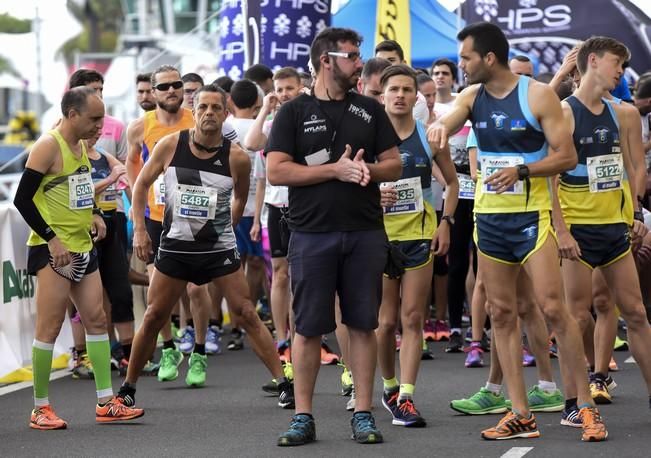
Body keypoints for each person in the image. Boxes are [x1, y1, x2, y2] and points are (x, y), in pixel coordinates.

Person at [427, 22, 607, 442]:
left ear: (489, 58)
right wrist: (439, 129)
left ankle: (584, 407)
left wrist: (522, 170)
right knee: (501, 314)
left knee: (553, 309)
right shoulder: (471, 96)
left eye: (467, 58)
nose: (462, 65)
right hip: (490, 223)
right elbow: (451, 118)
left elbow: (566, 157)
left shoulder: (538, 95)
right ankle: (520, 412)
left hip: (533, 220)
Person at [117, 84, 293, 409]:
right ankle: (128, 388)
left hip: (217, 250)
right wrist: (140, 229)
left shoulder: (237, 157)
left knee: (246, 314)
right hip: (176, 247)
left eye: (216, 108)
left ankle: (284, 383)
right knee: (155, 314)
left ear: (225, 114)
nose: (209, 113)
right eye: (203, 108)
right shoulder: (171, 145)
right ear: (193, 112)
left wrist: (228, 226)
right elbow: (141, 183)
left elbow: (241, 195)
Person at [267, 27, 402, 446]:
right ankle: (303, 416)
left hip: (364, 232)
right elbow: (276, 170)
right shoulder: (291, 112)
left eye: (359, 55)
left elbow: (394, 164)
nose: (360, 63)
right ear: (327, 60)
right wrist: (334, 170)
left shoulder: (369, 109)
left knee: (363, 325)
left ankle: (363, 412)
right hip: (310, 234)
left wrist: (367, 171)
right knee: (307, 328)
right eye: (352, 56)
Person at [13, 86, 144, 429]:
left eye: (102, 118)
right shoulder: (48, 146)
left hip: (83, 245)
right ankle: (39, 407)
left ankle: (105, 402)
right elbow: (22, 200)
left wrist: (95, 214)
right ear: (72, 115)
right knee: (50, 326)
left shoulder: (82, 147)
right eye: (94, 118)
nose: (101, 125)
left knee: (97, 320)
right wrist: (52, 240)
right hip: (53, 250)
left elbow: (78, 188)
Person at [553, 36, 651, 413]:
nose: (621, 73)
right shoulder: (564, 112)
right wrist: (560, 230)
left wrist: (637, 214)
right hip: (576, 232)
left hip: (615, 229)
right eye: (617, 64)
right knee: (577, 317)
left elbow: (634, 167)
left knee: (637, 312)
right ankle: (575, 402)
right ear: (592, 61)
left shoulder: (624, 113)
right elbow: (549, 179)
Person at [375, 64, 458, 427]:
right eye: (394, 89)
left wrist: (446, 223)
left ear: (416, 97)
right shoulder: (369, 140)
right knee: (384, 320)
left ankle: (407, 396)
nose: (400, 95)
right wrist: (371, 196)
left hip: (419, 236)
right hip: (378, 239)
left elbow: (453, 185)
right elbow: (349, 182)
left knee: (412, 317)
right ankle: (389, 386)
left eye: (407, 90)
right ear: (382, 95)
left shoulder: (429, 137)